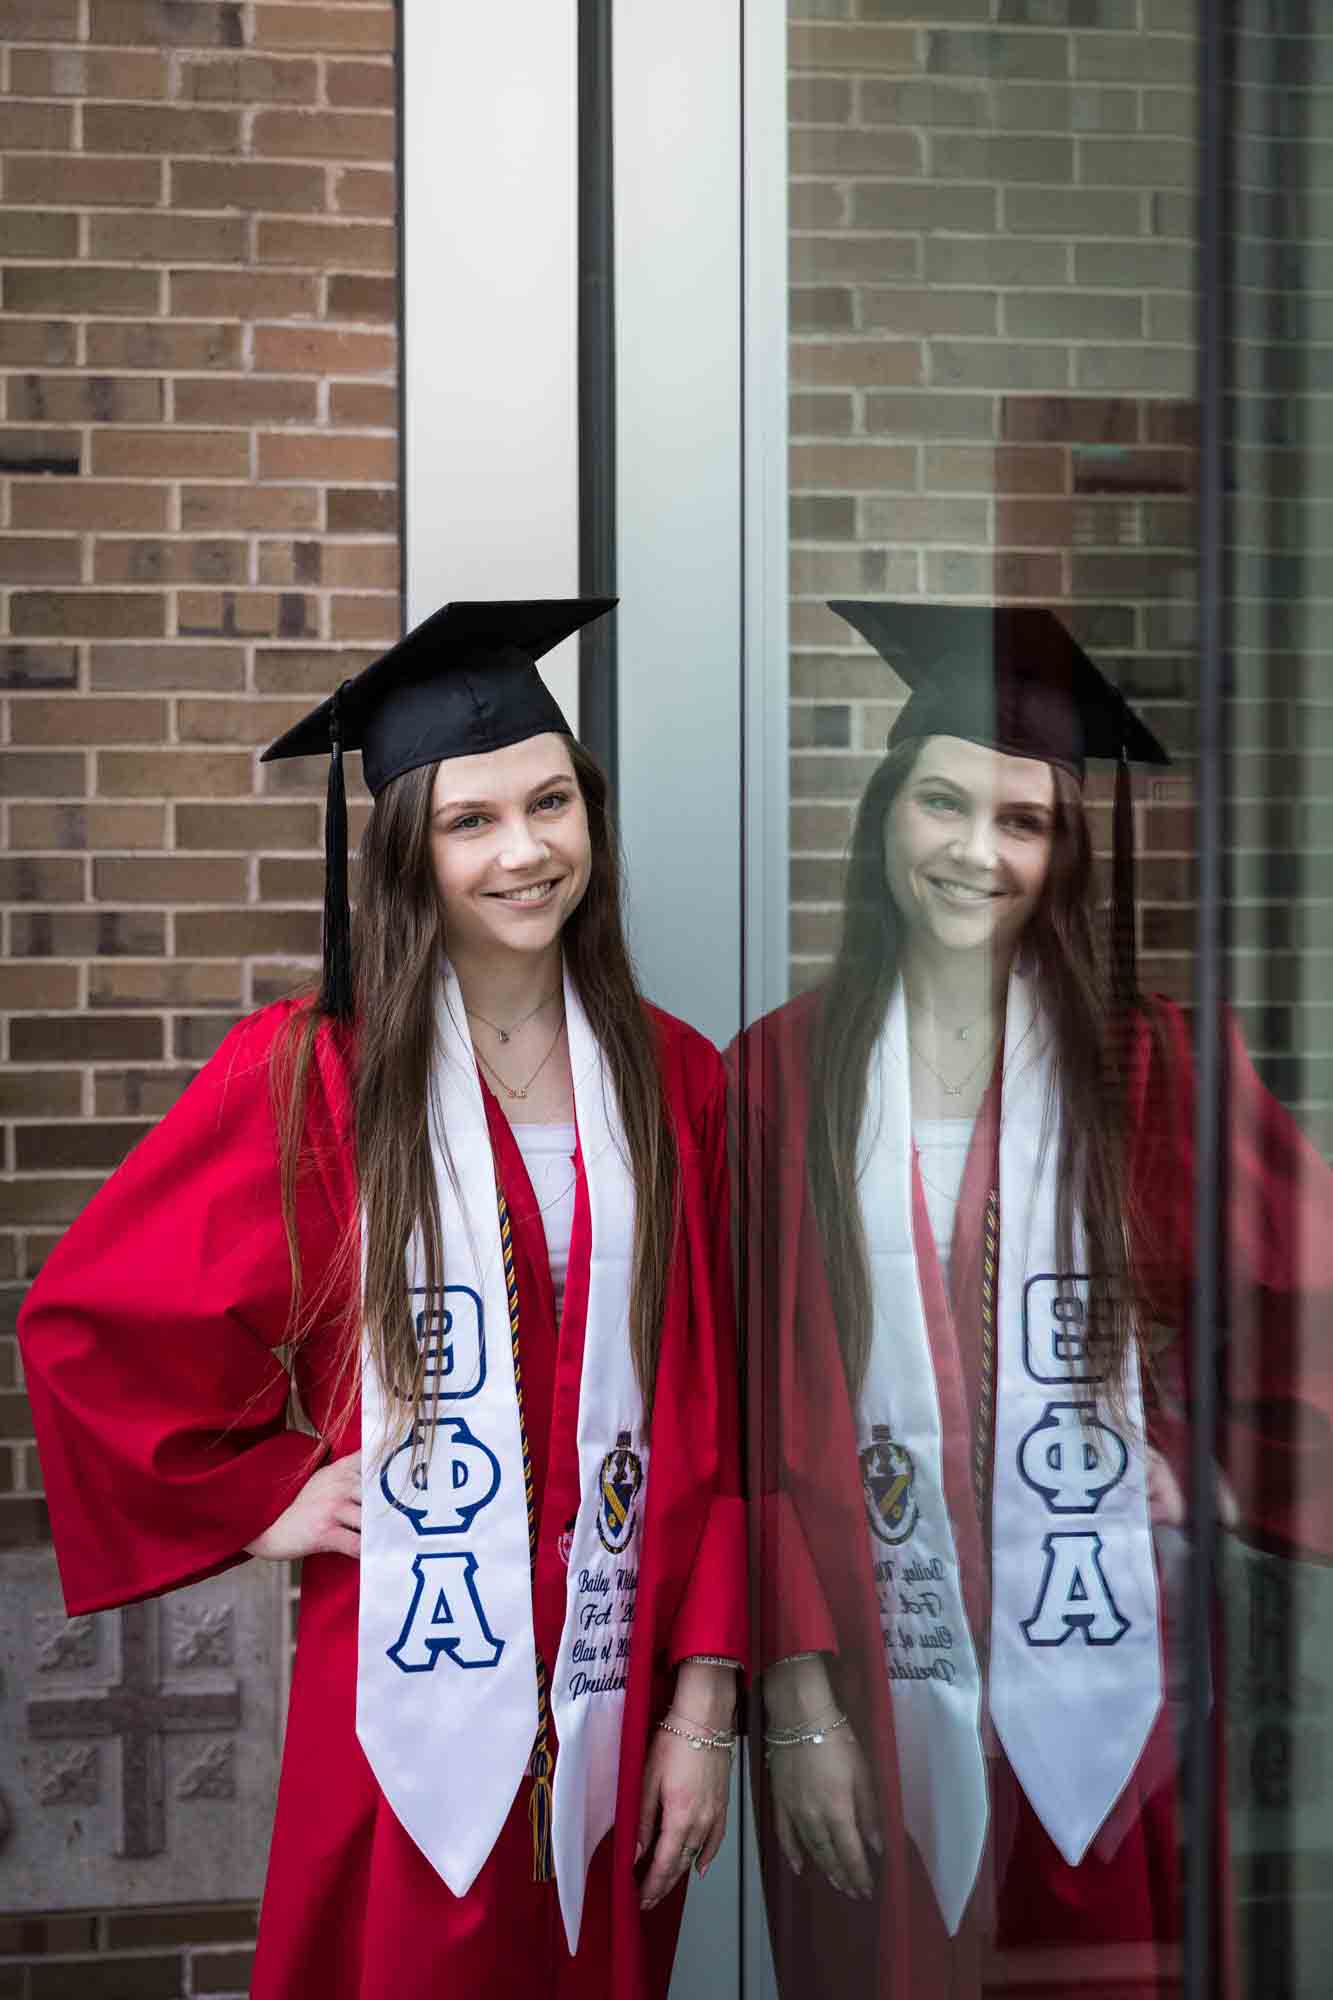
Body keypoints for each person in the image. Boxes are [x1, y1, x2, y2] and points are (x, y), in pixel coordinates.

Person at [19, 598, 747, 2000]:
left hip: (615, 1682)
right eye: (470, 820)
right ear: (407, 848)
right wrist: (263, 1495)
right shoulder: (315, 1076)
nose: (524, 850)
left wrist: (701, 1703)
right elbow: (90, 1324)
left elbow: (713, 1412)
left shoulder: (676, 1081)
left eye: (549, 804)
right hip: (403, 1695)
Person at [734, 601, 1333, 1998]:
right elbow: (736, 1405)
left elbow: (1301, 1305)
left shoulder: (1150, 1066)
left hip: (1111, 1675)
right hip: (875, 1675)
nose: (973, 851)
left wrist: (1216, 1474)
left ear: (1063, 855)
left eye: (1021, 822)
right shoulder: (780, 1077)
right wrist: (795, 1693)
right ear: (885, 817)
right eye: (941, 803)